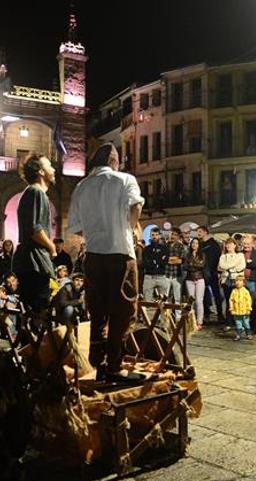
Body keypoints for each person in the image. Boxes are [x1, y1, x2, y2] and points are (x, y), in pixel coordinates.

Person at [67, 143, 145, 382]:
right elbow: (137, 205)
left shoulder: (81, 186)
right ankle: (114, 365)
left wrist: (95, 234)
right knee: (123, 310)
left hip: (93, 255)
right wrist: (129, 228)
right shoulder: (124, 179)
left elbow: (76, 228)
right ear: (115, 161)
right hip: (120, 252)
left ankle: (97, 362)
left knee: (97, 310)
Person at [12, 153, 58, 336]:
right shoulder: (36, 192)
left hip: (31, 262)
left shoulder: (33, 193)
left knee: (31, 314)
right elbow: (35, 229)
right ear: (41, 171)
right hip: (34, 262)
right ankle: (35, 356)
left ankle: (28, 355)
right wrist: (51, 247)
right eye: (49, 166)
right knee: (38, 313)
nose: (53, 169)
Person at [197, 225, 224, 323]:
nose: (198, 233)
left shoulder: (213, 244)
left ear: (205, 232)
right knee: (204, 294)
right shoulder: (201, 244)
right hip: (202, 272)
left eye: (200, 231)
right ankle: (206, 314)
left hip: (212, 272)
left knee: (216, 294)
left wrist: (212, 269)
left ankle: (220, 315)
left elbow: (217, 258)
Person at [218, 237, 246, 330]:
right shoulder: (223, 256)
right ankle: (228, 322)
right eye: (227, 244)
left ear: (235, 245)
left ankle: (239, 322)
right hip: (226, 281)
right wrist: (234, 265)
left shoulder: (240, 255)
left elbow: (242, 266)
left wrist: (229, 267)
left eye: (231, 244)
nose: (229, 245)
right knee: (229, 301)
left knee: (238, 300)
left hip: (237, 280)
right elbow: (222, 266)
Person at [240, 235, 256, 330]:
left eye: (248, 244)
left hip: (252, 281)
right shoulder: (240, 253)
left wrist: (246, 264)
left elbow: (255, 264)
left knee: (252, 302)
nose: (246, 245)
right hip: (241, 281)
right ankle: (243, 321)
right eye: (244, 244)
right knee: (242, 301)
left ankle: (252, 321)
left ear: (252, 244)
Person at [184, 237, 207, 329]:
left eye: (196, 243)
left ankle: (199, 322)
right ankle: (191, 322)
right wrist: (192, 265)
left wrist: (191, 264)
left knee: (199, 301)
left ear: (199, 245)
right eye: (193, 243)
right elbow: (185, 266)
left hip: (199, 279)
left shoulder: (202, 254)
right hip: (189, 279)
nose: (194, 244)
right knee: (191, 301)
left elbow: (201, 265)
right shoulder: (187, 255)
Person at [141, 227, 169, 301]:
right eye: (152, 235)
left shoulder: (165, 248)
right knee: (147, 302)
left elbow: (165, 262)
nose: (154, 236)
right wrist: (159, 260)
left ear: (159, 236)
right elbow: (145, 263)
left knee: (164, 303)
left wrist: (154, 261)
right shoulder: (146, 249)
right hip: (149, 277)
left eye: (156, 235)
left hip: (161, 276)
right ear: (150, 236)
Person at [163, 227, 186, 303]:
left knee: (177, 298)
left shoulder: (181, 246)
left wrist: (168, 259)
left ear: (178, 237)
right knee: (164, 298)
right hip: (166, 274)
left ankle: (178, 315)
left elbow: (181, 260)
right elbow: (162, 259)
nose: (173, 236)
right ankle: (163, 315)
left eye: (175, 235)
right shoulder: (165, 246)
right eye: (172, 234)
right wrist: (174, 258)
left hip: (177, 276)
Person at [229, 275, 252, 341]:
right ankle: (238, 335)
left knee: (246, 323)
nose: (238, 282)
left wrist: (249, 308)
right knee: (238, 323)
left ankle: (248, 334)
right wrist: (231, 308)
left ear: (244, 283)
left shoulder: (245, 291)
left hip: (244, 311)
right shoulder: (234, 291)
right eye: (236, 281)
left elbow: (249, 300)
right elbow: (231, 300)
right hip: (236, 311)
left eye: (240, 281)